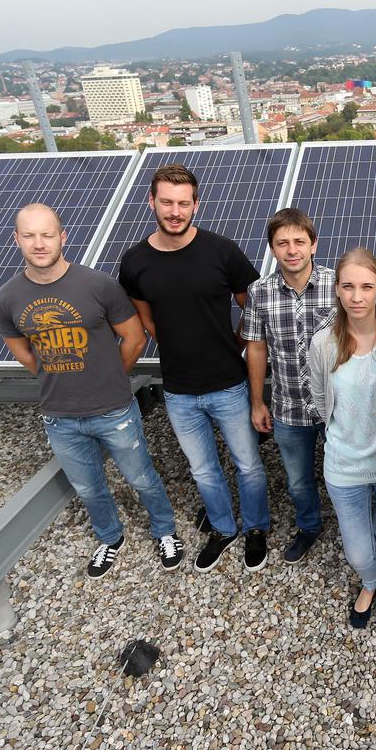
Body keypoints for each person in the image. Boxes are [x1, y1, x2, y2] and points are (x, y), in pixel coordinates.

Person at [0, 203, 180, 578]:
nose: (39, 243)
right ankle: (110, 537)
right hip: (59, 416)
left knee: (142, 477)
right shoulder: (9, 296)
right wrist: (51, 373)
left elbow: (133, 337)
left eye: (47, 235)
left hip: (113, 409)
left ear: (63, 237)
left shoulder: (98, 285)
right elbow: (18, 346)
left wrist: (110, 374)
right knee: (89, 488)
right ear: (16, 240)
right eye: (29, 236)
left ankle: (165, 530)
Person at [118, 163, 268, 575]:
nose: (175, 211)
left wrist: (232, 344)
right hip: (179, 390)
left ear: (196, 205)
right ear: (152, 202)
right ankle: (223, 529)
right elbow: (146, 321)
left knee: (248, 464)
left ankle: (256, 528)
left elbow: (251, 310)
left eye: (183, 203)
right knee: (203, 469)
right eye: (166, 202)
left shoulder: (223, 251)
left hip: (229, 384)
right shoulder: (134, 262)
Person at [309, 248, 376, 634]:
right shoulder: (323, 344)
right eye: (348, 286)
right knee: (357, 548)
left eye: (366, 286)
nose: (357, 296)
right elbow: (320, 398)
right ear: (336, 290)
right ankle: (368, 579)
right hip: (344, 464)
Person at [243, 208, 336, 564]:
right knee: (298, 483)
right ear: (272, 248)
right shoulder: (259, 292)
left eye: (299, 241)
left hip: (335, 407)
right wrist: (257, 401)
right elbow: (255, 346)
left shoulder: (337, 284)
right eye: (282, 243)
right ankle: (310, 526)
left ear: (314, 244)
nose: (292, 249)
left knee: (345, 474)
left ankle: (352, 526)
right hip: (288, 407)